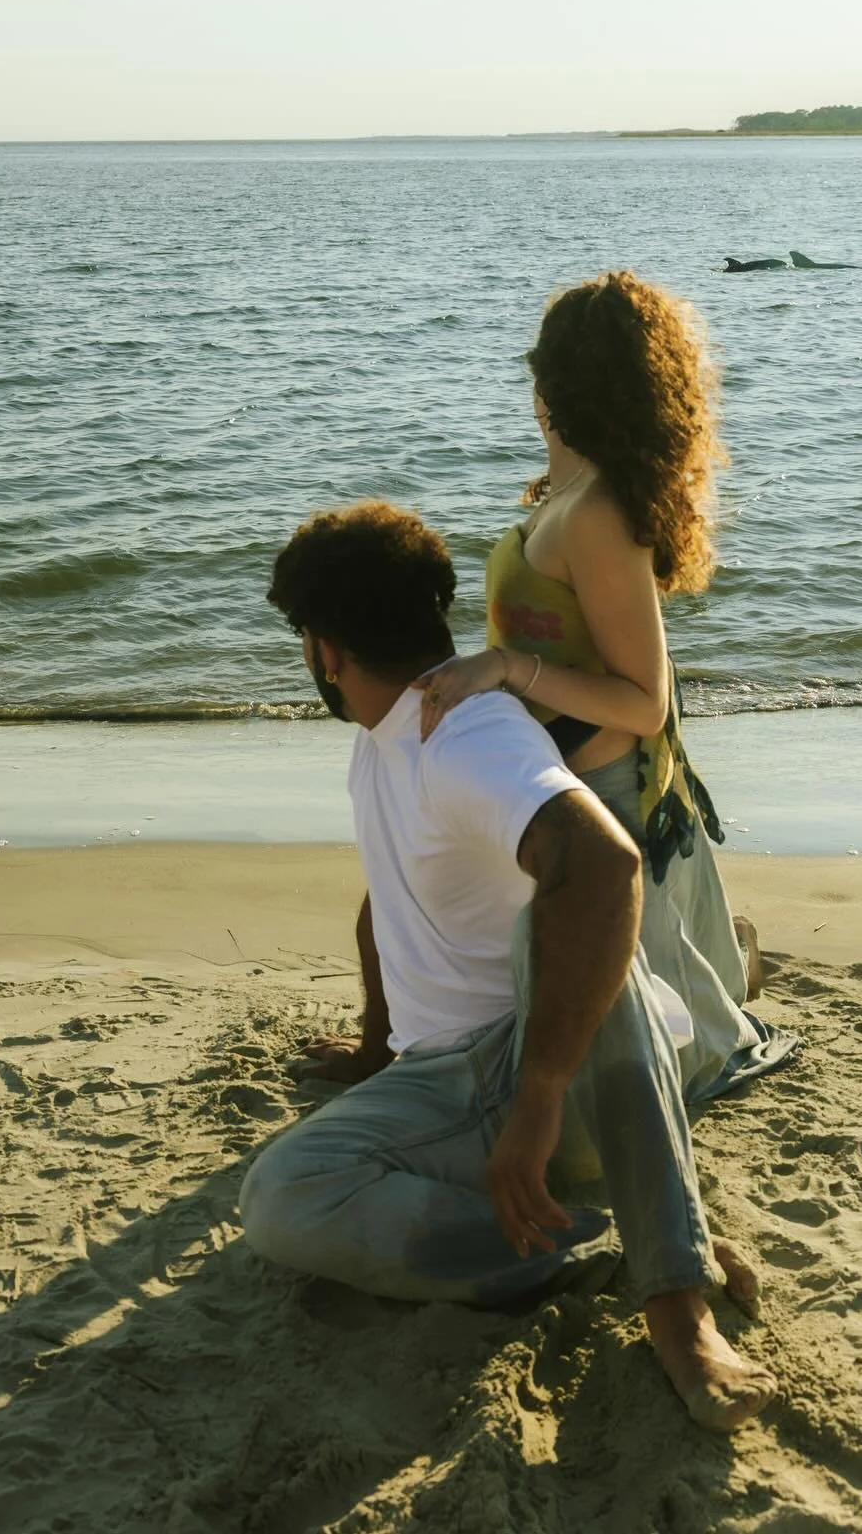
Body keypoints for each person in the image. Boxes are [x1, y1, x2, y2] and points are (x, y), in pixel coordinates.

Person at [241, 501, 778, 1432]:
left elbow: (604, 865)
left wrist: (537, 1099)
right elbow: (389, 889)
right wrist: (377, 1044)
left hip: (552, 1076)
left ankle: (676, 1303)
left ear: (323, 650)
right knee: (283, 1196)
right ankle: (586, 1251)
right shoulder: (385, 740)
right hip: (447, 1082)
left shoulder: (468, 735)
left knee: (561, 916)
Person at [411, 271, 797, 1100]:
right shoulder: (566, 491)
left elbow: (642, 700)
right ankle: (731, 956)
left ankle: (730, 965)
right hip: (563, 781)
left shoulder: (595, 515)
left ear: (551, 382)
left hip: (604, 789)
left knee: (643, 1048)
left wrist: (508, 669)